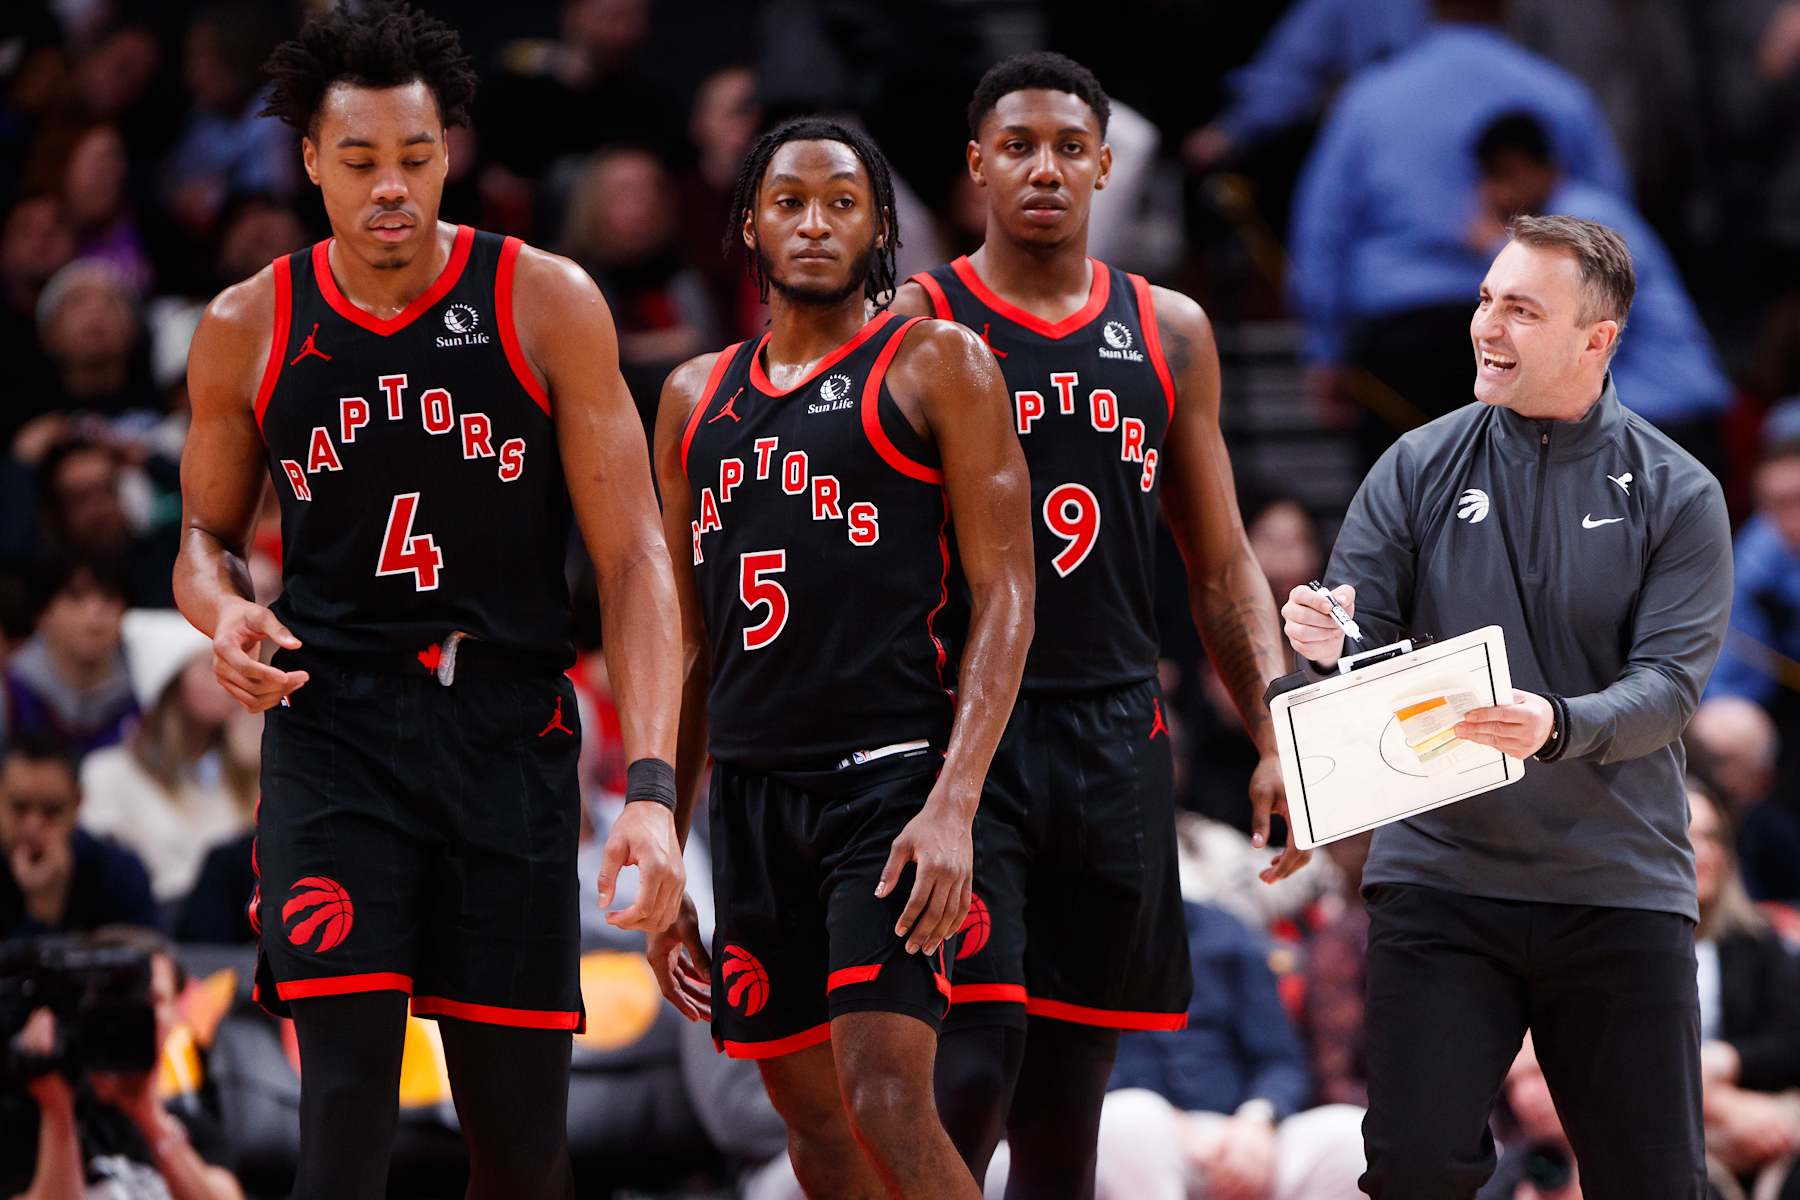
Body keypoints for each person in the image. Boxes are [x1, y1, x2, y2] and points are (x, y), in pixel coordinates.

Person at [171, 4, 685, 1198]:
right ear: (311, 161)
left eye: (415, 155)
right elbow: (203, 540)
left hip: (507, 729)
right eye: (360, 161)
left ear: (448, 151)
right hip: (335, 731)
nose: (391, 186)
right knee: (341, 1131)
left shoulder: (545, 299)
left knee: (523, 1154)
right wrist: (223, 610)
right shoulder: (247, 323)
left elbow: (635, 560)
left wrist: (653, 791)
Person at [888, 53, 1300, 1196]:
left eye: (1070, 148)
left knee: (1069, 1115)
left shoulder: (1169, 328)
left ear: (1106, 167)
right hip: (966, 737)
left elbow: (1220, 562)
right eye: (1018, 146)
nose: (1045, 169)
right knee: (972, 1072)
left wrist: (1277, 733)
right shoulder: (917, 322)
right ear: (976, 166)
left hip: (1114, 737)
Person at [1281, 215, 1732, 1197]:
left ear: (1596, 338)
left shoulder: (1679, 491)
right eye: (1487, 298)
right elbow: (1356, 645)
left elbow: (1669, 689)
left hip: (1615, 883)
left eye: (1522, 309)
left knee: (1655, 1182)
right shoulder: (1416, 464)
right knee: (1412, 1172)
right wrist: (1321, 647)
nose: (1487, 324)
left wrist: (1558, 725)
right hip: (1443, 877)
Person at [644, 117, 1034, 1199]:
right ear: (749, 225)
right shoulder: (691, 397)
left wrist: (955, 802)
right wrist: (664, 829)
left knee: (887, 1096)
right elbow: (685, 643)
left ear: (880, 227)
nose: (814, 224)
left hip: (889, 784)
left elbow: (1010, 594)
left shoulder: (936, 362)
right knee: (811, 1126)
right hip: (752, 797)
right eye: (789, 203)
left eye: (841, 204)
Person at [1289, 0, 1630, 471]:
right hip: (1531, 329)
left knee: (1403, 500)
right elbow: (1609, 236)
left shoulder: (1370, 98)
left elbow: (1323, 230)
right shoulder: (1558, 94)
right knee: (1527, 499)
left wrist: (1324, 348)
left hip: (1402, 338)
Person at [1041, 899, 1365, 1200]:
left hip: (1238, 1131)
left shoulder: (1224, 932)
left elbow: (1281, 1059)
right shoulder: (1068, 940)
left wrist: (1256, 1121)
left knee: (1350, 1136)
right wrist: (1173, 1124)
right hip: (1128, 1132)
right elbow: (1065, 1065)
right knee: (1130, 1120)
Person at [1472, 110, 1731, 470]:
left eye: (1505, 174)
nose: (1493, 192)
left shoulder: (1581, 220)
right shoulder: (1574, 213)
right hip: (1655, 412)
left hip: (1666, 410)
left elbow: (1568, 310)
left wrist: (1491, 246)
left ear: (1539, 167)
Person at [3, 926, 242, 1200]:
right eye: (116, 1001)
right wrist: (57, 1110)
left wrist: (152, 1120)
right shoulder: (26, 1114)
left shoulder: (188, 1118)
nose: (133, 1017)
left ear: (176, 1014)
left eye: (153, 1000)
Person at [79, 614, 252, 903]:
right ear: (169, 683)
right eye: (210, 666)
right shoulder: (107, 773)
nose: (228, 677)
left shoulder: (241, 773)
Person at [1, 730, 158, 939]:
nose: (33, 826)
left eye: (52, 810)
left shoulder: (120, 875)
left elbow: (152, 952)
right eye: (19, 807)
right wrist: (41, 913)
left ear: (77, 803)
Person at [3, 554, 138, 757]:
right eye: (76, 597)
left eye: (109, 597)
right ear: (43, 615)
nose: (95, 612)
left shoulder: (148, 691)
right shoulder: (10, 691)